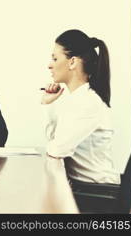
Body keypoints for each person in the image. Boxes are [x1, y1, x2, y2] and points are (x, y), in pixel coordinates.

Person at [41, 29, 120, 185]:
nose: (49, 65)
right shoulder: (76, 99)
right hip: (82, 188)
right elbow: (53, 141)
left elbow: (56, 150)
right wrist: (47, 103)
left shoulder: (88, 103)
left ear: (72, 62)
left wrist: (54, 145)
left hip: (97, 193)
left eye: (55, 59)